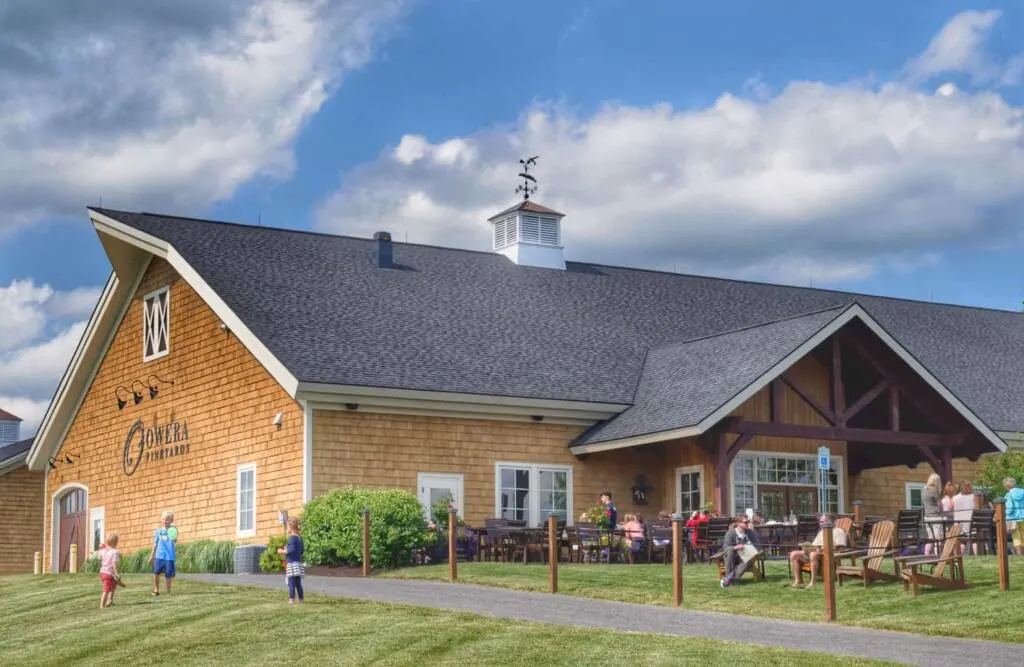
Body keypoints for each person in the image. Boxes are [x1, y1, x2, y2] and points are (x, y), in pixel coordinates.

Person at [787, 514, 848, 589]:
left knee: (813, 554)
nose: (820, 523)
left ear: (831, 522)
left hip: (827, 554)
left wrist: (823, 549)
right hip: (816, 552)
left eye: (822, 522)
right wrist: (807, 548)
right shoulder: (821, 532)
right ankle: (798, 581)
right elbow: (814, 545)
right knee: (794, 554)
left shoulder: (838, 531)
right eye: (820, 522)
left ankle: (813, 582)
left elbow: (840, 548)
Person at [720, 516, 760, 587]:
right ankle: (730, 580)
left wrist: (748, 547)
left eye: (748, 522)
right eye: (745, 522)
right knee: (730, 552)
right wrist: (736, 547)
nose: (747, 524)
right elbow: (726, 548)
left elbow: (757, 545)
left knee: (750, 557)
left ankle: (727, 580)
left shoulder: (750, 532)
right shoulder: (730, 533)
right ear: (738, 523)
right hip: (732, 557)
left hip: (744, 557)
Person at [148, 510, 177, 596]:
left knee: (168, 574)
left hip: (169, 556)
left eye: (167, 519)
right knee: (156, 573)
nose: (165, 521)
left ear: (171, 520)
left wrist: (173, 532)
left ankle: (168, 591)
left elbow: (175, 541)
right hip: (159, 555)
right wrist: (152, 556)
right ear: (161, 520)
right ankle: (156, 590)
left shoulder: (173, 530)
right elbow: (155, 544)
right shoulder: (158, 531)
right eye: (163, 519)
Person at [277, 517, 306, 603]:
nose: (286, 529)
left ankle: (291, 599)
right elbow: (301, 550)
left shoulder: (292, 538)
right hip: (298, 564)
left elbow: (291, 550)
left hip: (291, 564)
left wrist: (281, 551)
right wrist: (288, 548)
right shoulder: (300, 538)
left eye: (287, 527)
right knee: (298, 583)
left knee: (291, 583)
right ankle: (301, 599)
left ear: (291, 527)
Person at [98, 533, 122, 609]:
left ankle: (110, 601)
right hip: (109, 573)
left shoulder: (103, 551)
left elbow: (99, 558)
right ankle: (102, 606)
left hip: (102, 572)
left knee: (113, 585)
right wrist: (117, 574)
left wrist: (101, 549)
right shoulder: (115, 552)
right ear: (116, 542)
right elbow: (114, 564)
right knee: (106, 590)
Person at [952, 481, 976, 555]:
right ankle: (977, 556)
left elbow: (952, 509)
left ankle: (959, 557)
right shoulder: (974, 497)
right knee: (975, 540)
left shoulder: (954, 498)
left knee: (961, 541)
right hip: (972, 524)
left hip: (959, 525)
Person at [922, 473, 943, 555]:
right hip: (935, 517)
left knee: (930, 538)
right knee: (938, 538)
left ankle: (926, 555)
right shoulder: (934, 490)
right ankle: (938, 555)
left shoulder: (924, 490)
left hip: (927, 517)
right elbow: (939, 504)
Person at [1003, 477, 1024, 556]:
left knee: (1016, 537)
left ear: (1007, 486)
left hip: (1013, 519)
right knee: (1023, 536)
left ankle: (1019, 555)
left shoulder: (1009, 494)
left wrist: (1005, 513)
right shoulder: (1023, 492)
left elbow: (1009, 508)